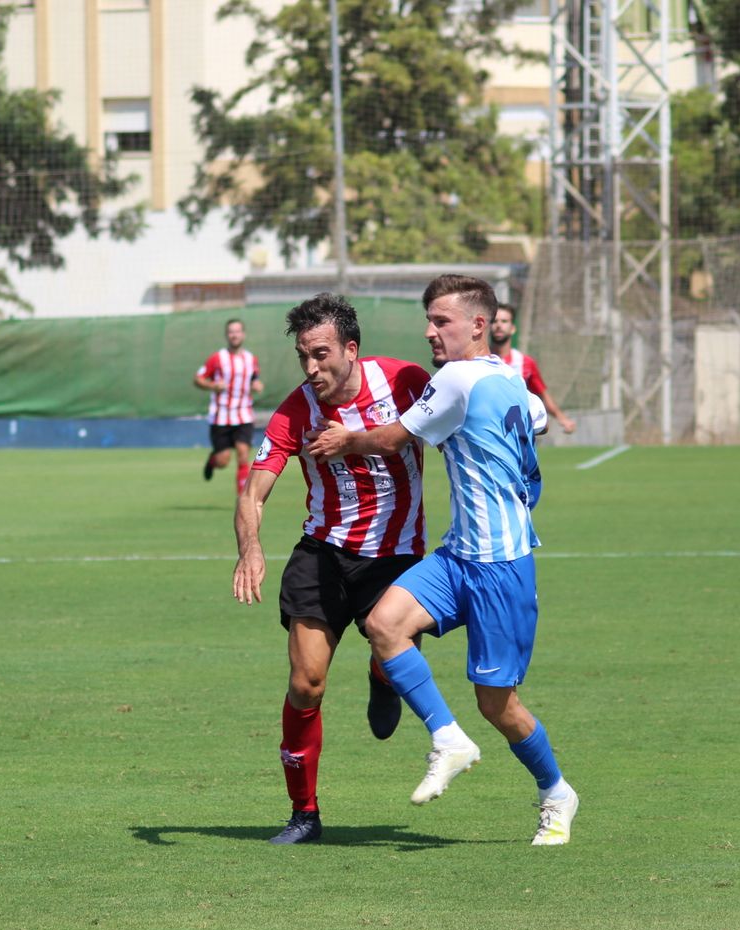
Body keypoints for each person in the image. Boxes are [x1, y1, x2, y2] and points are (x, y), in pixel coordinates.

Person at [307, 274, 579, 846]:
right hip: (461, 554)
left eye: (441, 322)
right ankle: (447, 739)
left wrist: (344, 441)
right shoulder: (508, 376)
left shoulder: (456, 378)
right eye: (428, 320)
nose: (430, 332)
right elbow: (538, 418)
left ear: (478, 325)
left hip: (501, 565)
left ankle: (556, 792)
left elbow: (390, 440)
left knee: (498, 704)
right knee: (383, 624)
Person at [234, 293, 433, 845]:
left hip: (395, 558)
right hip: (322, 554)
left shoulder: (406, 382)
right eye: (303, 356)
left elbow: (446, 422)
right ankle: (304, 813)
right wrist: (250, 545)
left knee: (389, 652)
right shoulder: (295, 412)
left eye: (320, 354)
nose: (311, 367)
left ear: (350, 348)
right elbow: (255, 491)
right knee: (306, 683)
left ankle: (382, 674)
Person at [194, 318, 262, 493]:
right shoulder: (217, 358)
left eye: (237, 331)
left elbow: (254, 378)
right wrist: (212, 385)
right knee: (223, 461)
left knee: (243, 455)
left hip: (244, 414)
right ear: (227, 335)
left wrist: (256, 385)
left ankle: (243, 500)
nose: (234, 335)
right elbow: (198, 379)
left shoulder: (251, 359)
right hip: (221, 415)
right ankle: (212, 461)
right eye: (231, 332)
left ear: (243, 334)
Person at [491, 302, 576, 434]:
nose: (499, 325)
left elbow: (543, 394)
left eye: (504, 321)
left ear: (513, 328)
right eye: (494, 321)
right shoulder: (478, 361)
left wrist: (562, 418)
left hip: (517, 432)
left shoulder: (525, 363)